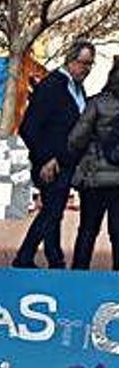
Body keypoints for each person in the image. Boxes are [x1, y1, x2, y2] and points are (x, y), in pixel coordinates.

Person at [12, 41, 95, 269]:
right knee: (51, 211)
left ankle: (53, 257)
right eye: (83, 63)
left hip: (66, 161)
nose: (86, 69)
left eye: (90, 64)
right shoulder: (53, 87)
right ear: (70, 60)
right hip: (50, 162)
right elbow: (29, 127)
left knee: (54, 211)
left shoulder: (77, 88)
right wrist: (45, 158)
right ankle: (26, 256)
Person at [68, 62, 119, 270]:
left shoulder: (96, 103)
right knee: (118, 232)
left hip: (94, 177)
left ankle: (79, 275)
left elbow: (76, 138)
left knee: (88, 229)